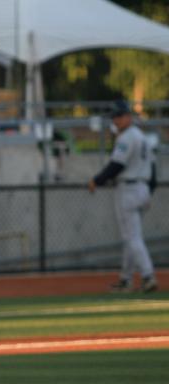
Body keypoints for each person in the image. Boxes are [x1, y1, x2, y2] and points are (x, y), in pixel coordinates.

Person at [88, 99, 157, 293]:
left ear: (128, 116)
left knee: (132, 237)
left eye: (119, 116)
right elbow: (153, 168)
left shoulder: (127, 137)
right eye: (114, 117)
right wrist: (149, 192)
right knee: (131, 237)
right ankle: (126, 279)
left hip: (129, 189)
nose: (116, 120)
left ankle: (147, 275)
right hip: (142, 187)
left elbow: (116, 166)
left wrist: (97, 180)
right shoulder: (141, 137)